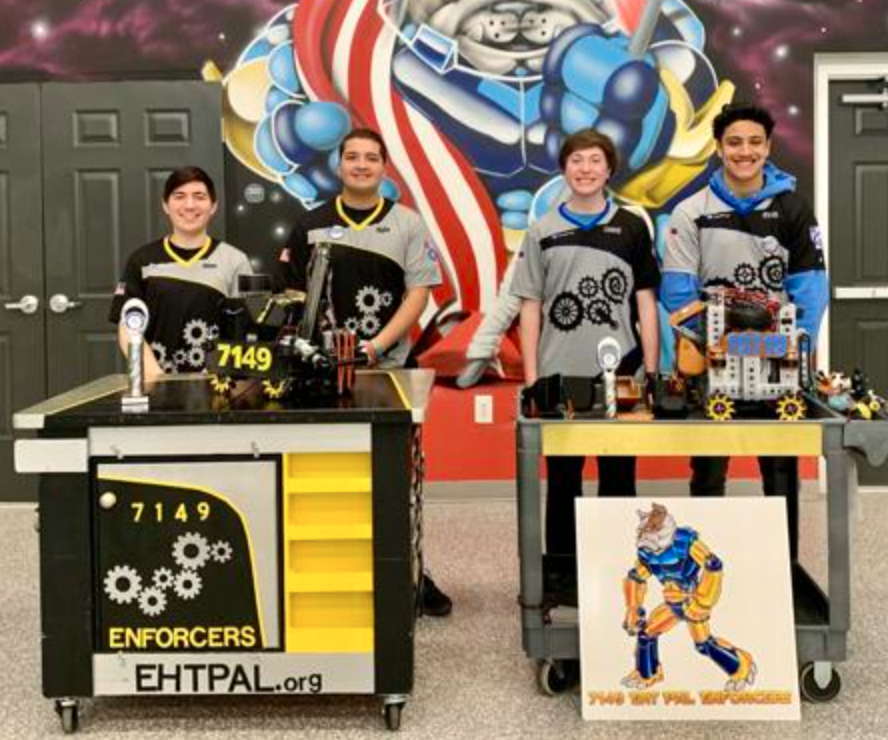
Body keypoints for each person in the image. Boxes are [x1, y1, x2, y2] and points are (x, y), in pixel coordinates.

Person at [275, 127, 452, 617]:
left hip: (387, 373)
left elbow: (419, 293)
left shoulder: (407, 224)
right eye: (352, 157)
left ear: (384, 167)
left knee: (395, 483)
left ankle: (410, 574)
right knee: (329, 482)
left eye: (371, 158)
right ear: (339, 165)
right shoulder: (309, 224)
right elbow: (292, 300)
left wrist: (376, 347)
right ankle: (332, 574)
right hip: (321, 380)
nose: (360, 165)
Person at [661, 103, 829, 560]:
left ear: (768, 148)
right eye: (734, 142)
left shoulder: (793, 208)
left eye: (755, 142)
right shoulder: (691, 212)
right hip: (713, 361)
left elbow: (811, 289)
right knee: (708, 470)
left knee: (780, 472)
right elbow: (678, 294)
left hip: (776, 361)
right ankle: (704, 568)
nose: (745, 151)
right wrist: (715, 343)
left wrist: (796, 349)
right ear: (719, 148)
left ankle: (783, 568)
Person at [511, 129, 661, 558]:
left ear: (609, 169)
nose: (586, 169)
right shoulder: (541, 231)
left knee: (619, 477)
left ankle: (619, 567)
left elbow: (646, 303)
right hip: (559, 376)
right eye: (577, 161)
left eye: (595, 160)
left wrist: (651, 373)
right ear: (564, 169)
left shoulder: (632, 226)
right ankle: (562, 572)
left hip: (623, 375)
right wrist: (532, 379)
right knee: (563, 480)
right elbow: (530, 308)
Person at [109, 166, 253, 376]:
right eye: (179, 196)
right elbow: (127, 328)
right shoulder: (141, 261)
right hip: (156, 383)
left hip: (216, 385)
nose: (189, 205)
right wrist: (156, 378)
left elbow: (248, 334)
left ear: (213, 206)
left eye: (199, 196)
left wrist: (222, 378)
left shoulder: (235, 261)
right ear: (165, 205)